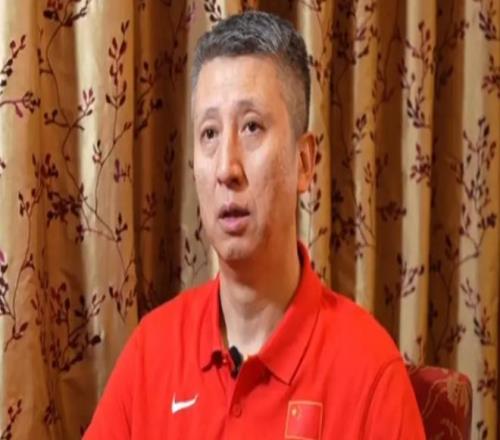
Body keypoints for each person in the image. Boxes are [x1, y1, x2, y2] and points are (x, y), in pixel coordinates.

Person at [84, 11, 425, 439]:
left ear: (304, 163)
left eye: (251, 127)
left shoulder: (370, 372)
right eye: (209, 133)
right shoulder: (152, 349)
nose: (226, 168)